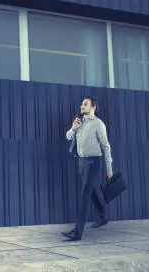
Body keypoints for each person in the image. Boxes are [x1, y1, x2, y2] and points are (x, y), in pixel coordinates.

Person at [62, 96, 113, 241]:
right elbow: (68, 137)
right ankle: (103, 216)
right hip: (82, 162)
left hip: (93, 162)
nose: (81, 106)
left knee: (85, 194)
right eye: (82, 104)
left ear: (93, 107)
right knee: (92, 191)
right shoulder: (80, 122)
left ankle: (77, 232)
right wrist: (74, 128)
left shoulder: (98, 124)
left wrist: (109, 170)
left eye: (85, 104)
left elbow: (106, 147)